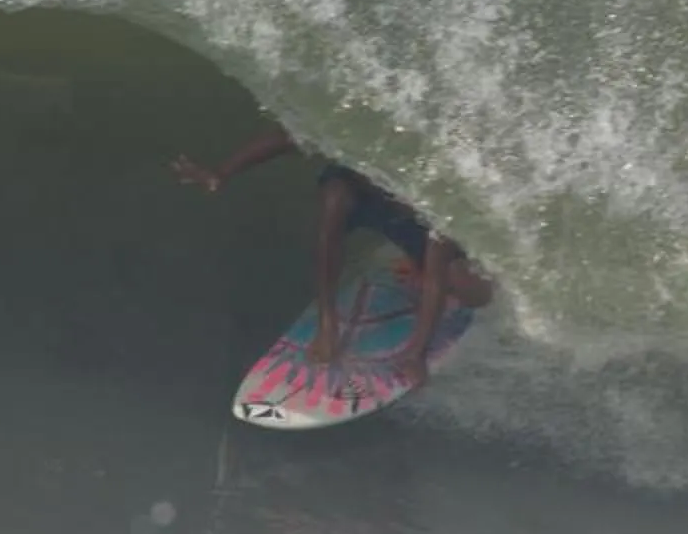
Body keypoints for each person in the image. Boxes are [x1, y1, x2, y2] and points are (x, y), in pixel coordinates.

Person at [171, 126, 493, 390]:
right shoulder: (358, 162)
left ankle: (426, 262)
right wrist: (221, 173)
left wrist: (415, 354)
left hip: (426, 229)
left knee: (470, 290)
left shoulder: (428, 195)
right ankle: (328, 319)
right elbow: (287, 136)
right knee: (335, 196)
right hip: (377, 200)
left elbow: (437, 275)